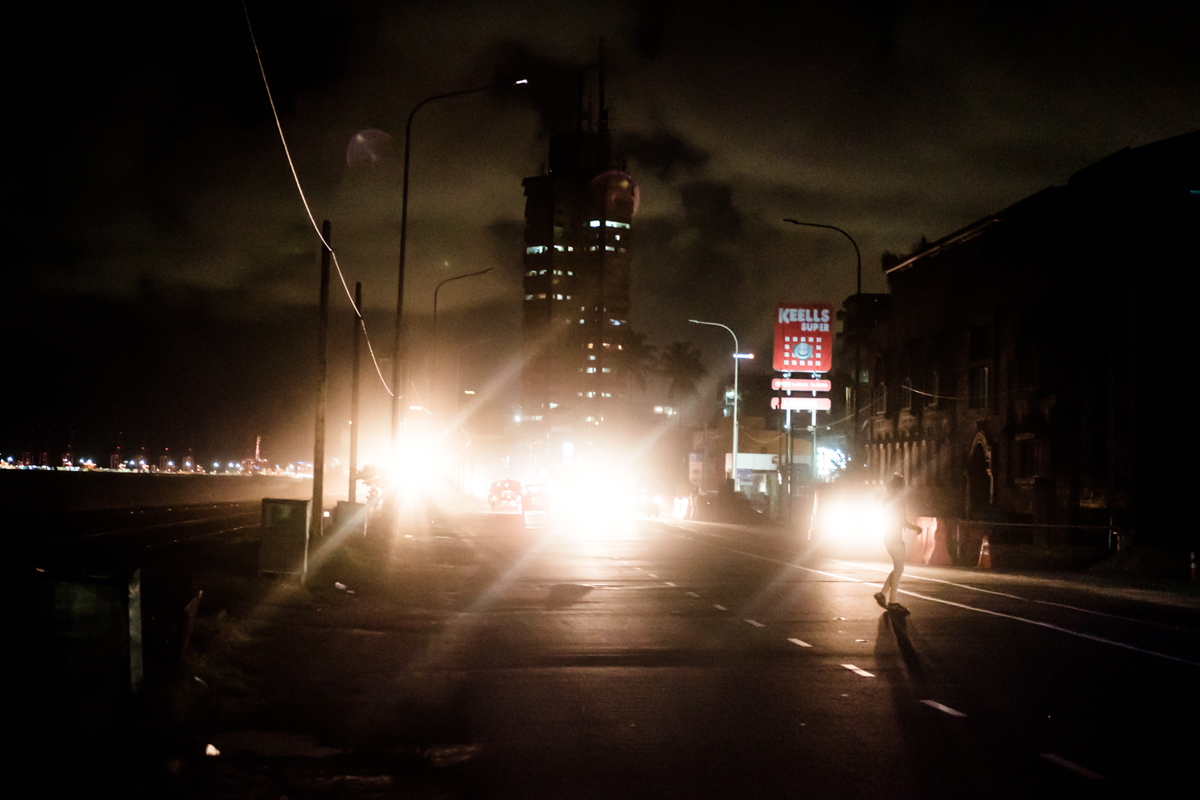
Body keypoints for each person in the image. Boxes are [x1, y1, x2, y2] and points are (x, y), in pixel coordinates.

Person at [875, 474, 922, 615]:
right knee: (899, 568)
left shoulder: (885, 500)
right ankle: (893, 601)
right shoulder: (900, 501)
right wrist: (916, 528)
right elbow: (903, 520)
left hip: (887, 537)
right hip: (895, 538)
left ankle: (882, 594)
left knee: (897, 568)